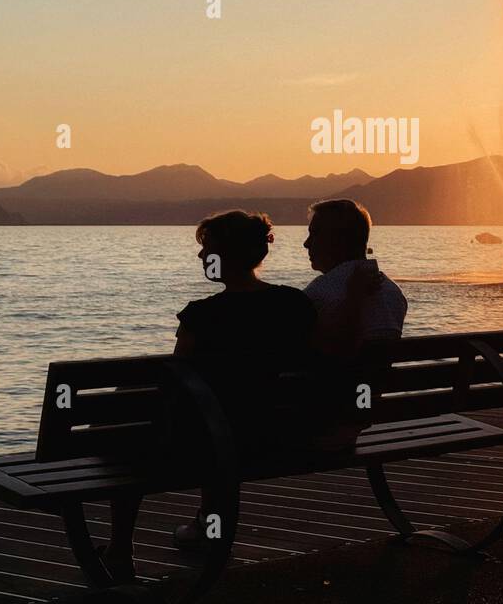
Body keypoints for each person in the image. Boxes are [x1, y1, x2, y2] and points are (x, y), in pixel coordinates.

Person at [101, 210, 315, 580]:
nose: (201, 257)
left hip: (210, 442)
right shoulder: (295, 304)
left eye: (208, 250)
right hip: (274, 436)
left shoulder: (202, 315)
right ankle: (207, 530)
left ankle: (120, 549)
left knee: (130, 433)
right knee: (218, 421)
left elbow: (178, 378)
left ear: (227, 255)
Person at [300, 199, 408, 448]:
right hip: (365, 414)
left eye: (314, 234)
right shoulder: (393, 293)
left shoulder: (320, 292)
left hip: (322, 421)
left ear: (338, 241)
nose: (307, 243)